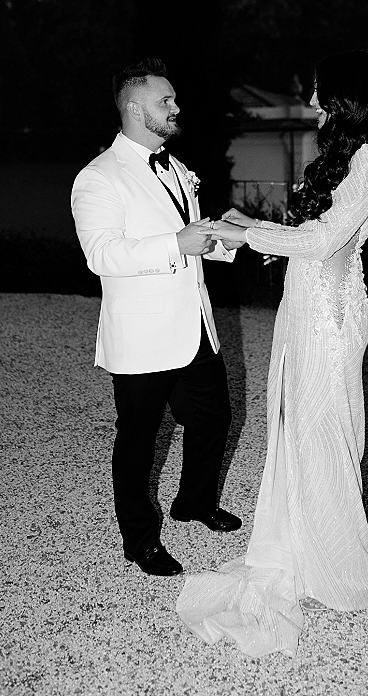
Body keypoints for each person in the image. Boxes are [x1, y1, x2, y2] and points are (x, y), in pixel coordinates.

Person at [177, 50, 368, 656]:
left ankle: (337, 564)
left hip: (331, 315)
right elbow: (309, 237)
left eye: (324, 92)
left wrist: (245, 236)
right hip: (305, 304)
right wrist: (253, 225)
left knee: (326, 429)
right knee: (296, 427)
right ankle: (300, 543)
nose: (317, 103)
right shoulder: (340, 156)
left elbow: (328, 240)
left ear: (351, 96)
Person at [71, 58, 242, 578]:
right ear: (132, 106)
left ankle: (194, 502)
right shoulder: (98, 177)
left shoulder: (176, 167)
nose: (176, 107)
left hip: (194, 328)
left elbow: (186, 239)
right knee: (139, 440)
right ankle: (139, 540)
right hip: (142, 337)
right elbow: (102, 255)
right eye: (165, 100)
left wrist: (221, 240)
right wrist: (177, 242)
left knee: (214, 417)